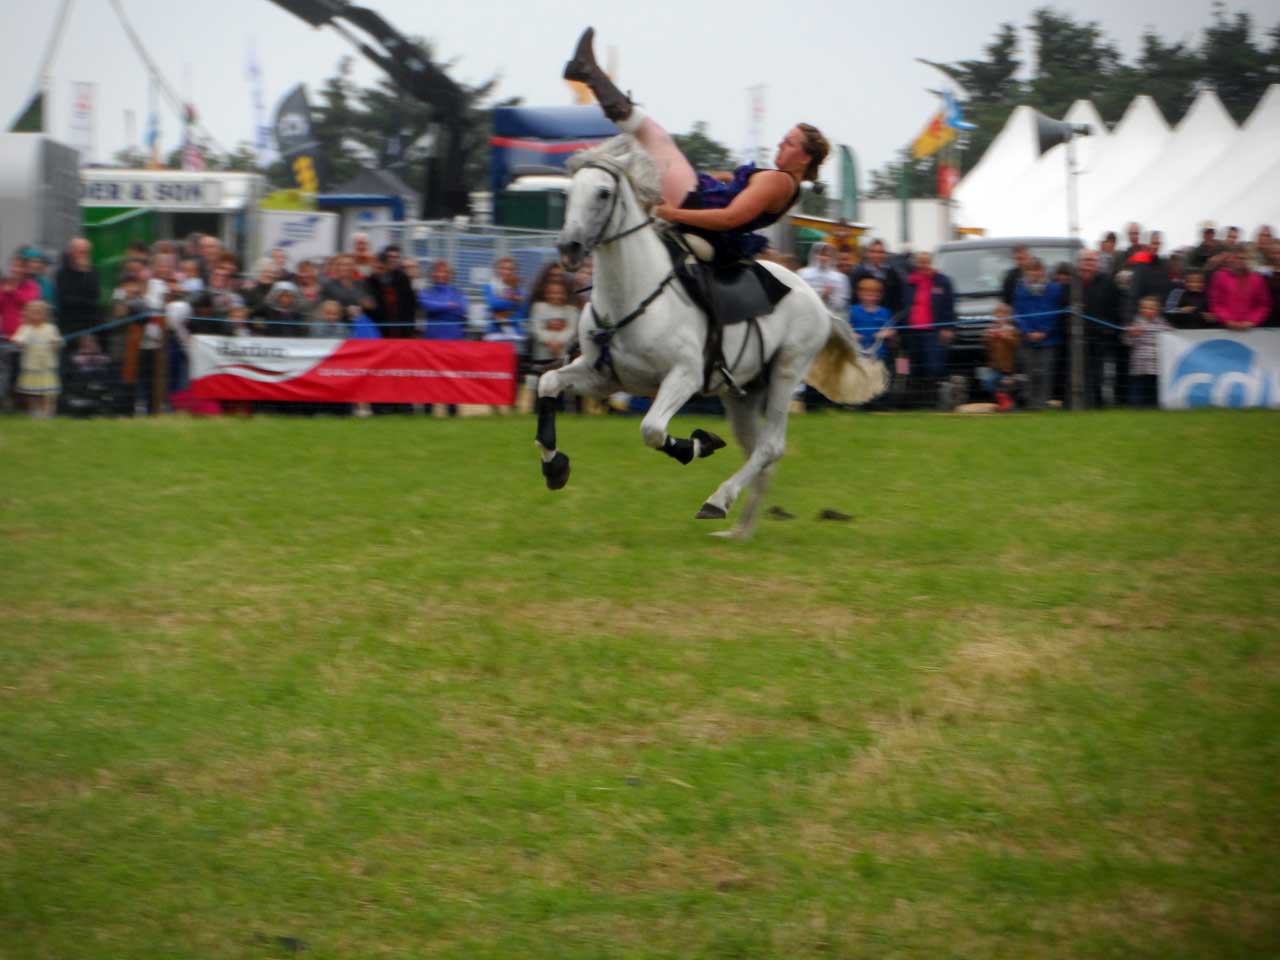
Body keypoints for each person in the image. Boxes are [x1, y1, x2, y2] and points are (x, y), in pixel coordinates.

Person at [564, 28, 827, 267]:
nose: (781, 144)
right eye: (784, 139)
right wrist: (725, 177)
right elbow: (740, 195)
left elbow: (730, 218)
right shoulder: (784, 186)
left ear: (804, 158)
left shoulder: (780, 182)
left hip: (696, 207)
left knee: (650, 134)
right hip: (702, 210)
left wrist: (672, 213)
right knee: (643, 143)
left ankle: (587, 72)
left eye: (789, 143)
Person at [898, 251, 956, 408]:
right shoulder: (909, 282)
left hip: (933, 331)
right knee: (912, 367)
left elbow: (949, 307)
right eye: (920, 262)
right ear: (916, 264)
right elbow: (903, 306)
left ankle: (932, 401)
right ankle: (916, 402)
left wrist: (948, 327)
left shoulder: (942, 281)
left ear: (931, 262)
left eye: (926, 262)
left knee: (933, 367)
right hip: (911, 331)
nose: (923, 265)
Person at [1012, 258, 1062, 412]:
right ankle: (1030, 404)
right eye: (1031, 270)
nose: (1035, 273)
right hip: (1027, 339)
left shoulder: (1054, 289)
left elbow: (1055, 313)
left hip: (1048, 339)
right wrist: (1028, 332)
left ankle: (1043, 403)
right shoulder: (1020, 290)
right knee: (1029, 372)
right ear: (1027, 272)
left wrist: (1044, 332)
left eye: (1037, 270)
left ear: (1043, 271)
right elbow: (1018, 314)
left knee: (1045, 372)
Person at [1076, 249, 1124, 407]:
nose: (1089, 264)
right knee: (1079, 372)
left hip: (1101, 336)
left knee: (1098, 374)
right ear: (1080, 263)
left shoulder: (1108, 282)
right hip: (1077, 337)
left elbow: (1117, 307)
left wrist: (1110, 328)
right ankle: (1080, 404)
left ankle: (1097, 404)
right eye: (1086, 260)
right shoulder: (1073, 283)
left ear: (1097, 263)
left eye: (1092, 260)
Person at [11, 300, 61, 417]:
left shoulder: (51, 328)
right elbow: (17, 341)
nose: (36, 314)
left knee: (47, 392)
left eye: (40, 311)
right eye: (33, 311)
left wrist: (55, 344)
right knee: (33, 393)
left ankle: (48, 414)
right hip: (32, 367)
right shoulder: (25, 328)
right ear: (27, 313)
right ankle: (35, 413)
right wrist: (18, 342)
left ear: (45, 314)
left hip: (46, 367)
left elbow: (56, 345)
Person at [848, 276, 895, 396]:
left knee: (877, 379)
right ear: (859, 294)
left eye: (874, 294)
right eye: (866, 293)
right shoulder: (852, 310)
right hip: (858, 353)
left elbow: (892, 330)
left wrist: (884, 333)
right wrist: (852, 334)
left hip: (878, 354)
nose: (870, 297)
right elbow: (844, 328)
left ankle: (876, 402)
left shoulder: (884, 312)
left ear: (879, 296)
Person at [1207, 246, 1272, 331]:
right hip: (1225, 328)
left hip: (1250, 330)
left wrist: (1251, 321)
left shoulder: (1257, 279)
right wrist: (1227, 320)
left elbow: (1264, 305)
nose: (1240, 261)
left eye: (1244, 258)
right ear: (1231, 259)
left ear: (1249, 260)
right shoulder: (1219, 276)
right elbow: (1215, 302)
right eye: (1237, 258)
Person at [1124, 296, 1171, 408]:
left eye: (1151, 308)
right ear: (1140, 309)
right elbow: (1127, 342)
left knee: (1154, 390)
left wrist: (1169, 332)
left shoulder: (1162, 324)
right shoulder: (1136, 324)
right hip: (1139, 366)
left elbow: (1172, 337)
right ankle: (1135, 407)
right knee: (1137, 389)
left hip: (1156, 366)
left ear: (1157, 310)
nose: (1148, 311)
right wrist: (1130, 334)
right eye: (1144, 308)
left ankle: (1154, 407)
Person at [54, 237, 102, 340]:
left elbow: (95, 296)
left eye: (86, 253)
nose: (84, 256)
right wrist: (85, 301)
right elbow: (65, 299)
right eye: (81, 252)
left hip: (90, 324)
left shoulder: (92, 272)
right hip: (69, 325)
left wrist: (85, 272)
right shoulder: (62, 273)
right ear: (71, 252)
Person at [366, 245, 417, 339]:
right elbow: (370, 309)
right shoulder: (369, 282)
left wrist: (410, 329)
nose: (378, 270)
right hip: (379, 331)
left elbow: (410, 305)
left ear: (386, 266)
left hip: (402, 330)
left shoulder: (402, 278)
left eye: (381, 267)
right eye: (375, 267)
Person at [980, 303, 1021, 411]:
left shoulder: (1012, 330)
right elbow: (987, 348)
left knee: (1007, 385)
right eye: (997, 316)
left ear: (1008, 318)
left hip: (1008, 367)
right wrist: (987, 337)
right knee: (988, 382)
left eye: (1002, 317)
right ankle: (1003, 400)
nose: (999, 319)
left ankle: (1009, 404)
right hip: (994, 366)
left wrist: (1004, 337)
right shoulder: (991, 330)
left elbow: (1016, 344)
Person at [528, 276, 579, 364]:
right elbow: (536, 328)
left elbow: (572, 330)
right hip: (542, 354)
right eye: (552, 293)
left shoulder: (571, 310)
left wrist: (559, 342)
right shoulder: (538, 307)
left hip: (563, 354)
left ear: (565, 294)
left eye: (560, 293)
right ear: (546, 294)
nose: (556, 296)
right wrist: (550, 342)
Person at [849, 239, 903, 317]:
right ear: (868, 253)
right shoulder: (858, 273)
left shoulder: (893, 273)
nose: (876, 255)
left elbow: (897, 299)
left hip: (886, 319)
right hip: (862, 318)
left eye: (880, 252)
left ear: (885, 254)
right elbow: (853, 298)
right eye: (873, 252)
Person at [419, 260, 468, 340]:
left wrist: (437, 308)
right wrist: (448, 305)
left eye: (444, 272)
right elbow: (427, 305)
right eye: (438, 271)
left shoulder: (458, 293)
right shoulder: (426, 292)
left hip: (454, 338)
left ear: (449, 275)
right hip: (432, 338)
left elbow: (461, 310)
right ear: (432, 274)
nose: (441, 274)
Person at [797, 242, 850, 314]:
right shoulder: (802, 274)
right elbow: (799, 297)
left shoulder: (840, 278)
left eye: (827, 255)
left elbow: (841, 304)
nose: (823, 258)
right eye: (820, 254)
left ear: (832, 257)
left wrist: (828, 298)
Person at [484, 257, 526, 342]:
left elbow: (522, 313)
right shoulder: (490, 286)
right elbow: (493, 304)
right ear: (497, 270)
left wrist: (506, 312)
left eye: (510, 269)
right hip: (495, 332)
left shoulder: (519, 289)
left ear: (514, 271)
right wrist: (513, 301)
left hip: (515, 332)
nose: (507, 272)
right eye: (503, 268)